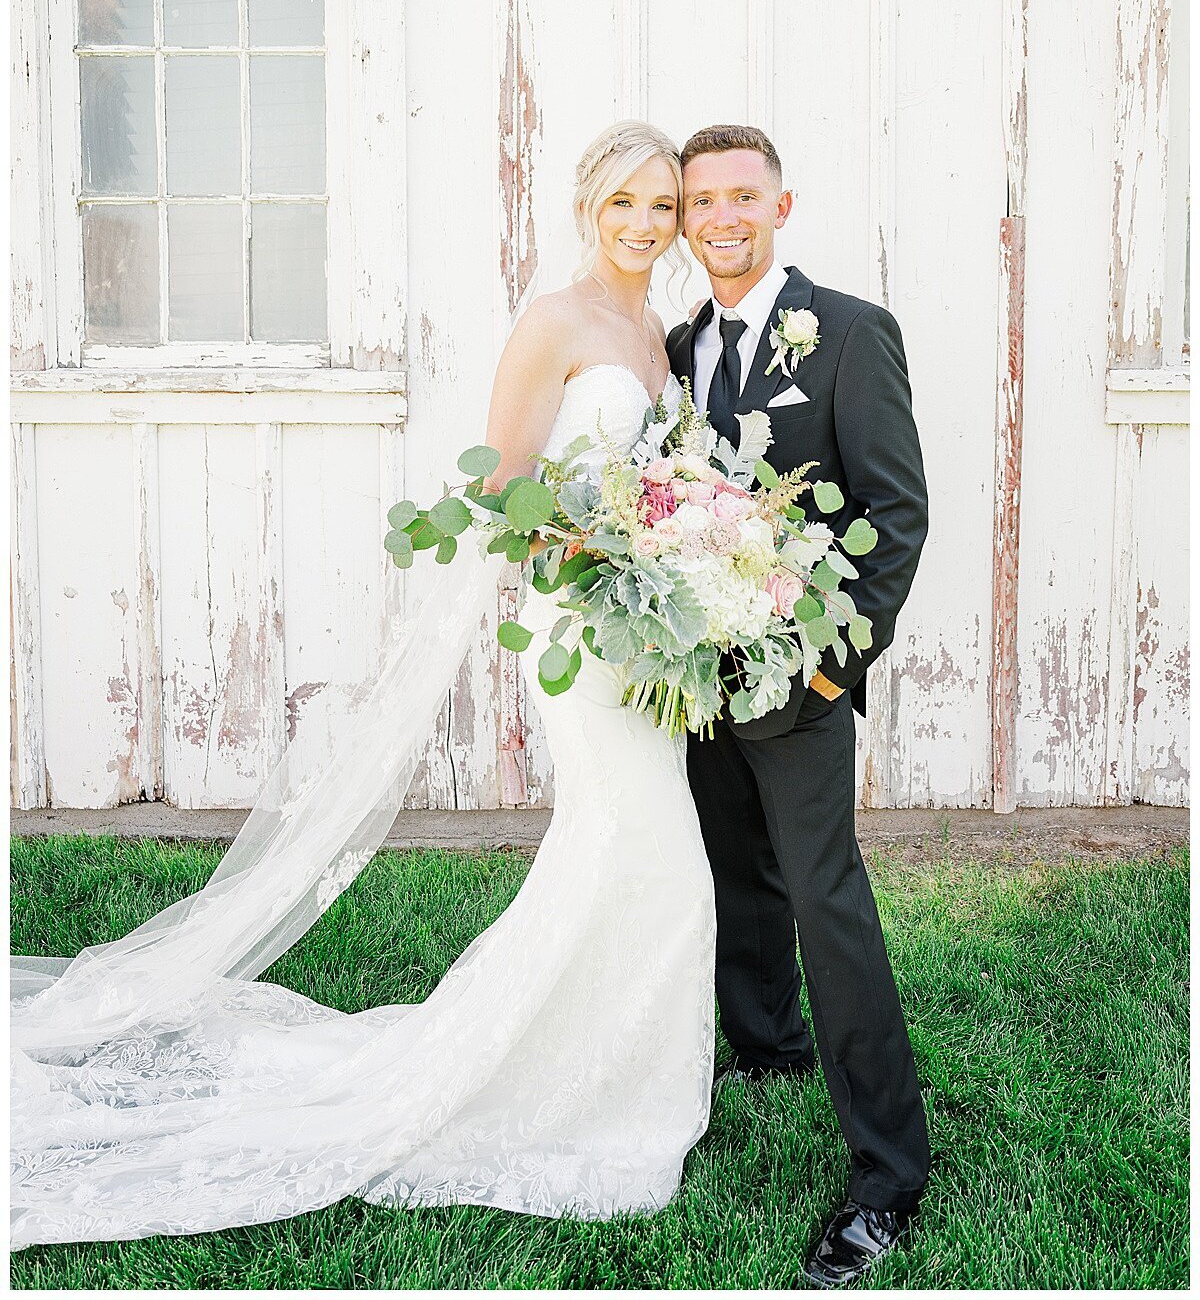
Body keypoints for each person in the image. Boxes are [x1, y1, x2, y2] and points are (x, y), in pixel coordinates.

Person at [11, 121, 716, 1245]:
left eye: (664, 205)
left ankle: (610, 1064)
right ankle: (573, 1079)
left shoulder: (653, 330)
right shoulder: (556, 323)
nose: (646, 224)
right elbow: (506, 498)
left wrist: (677, 557)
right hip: (580, 631)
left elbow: (658, 479)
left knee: (637, 848)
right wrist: (600, 562)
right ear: (589, 206)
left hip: (645, 639)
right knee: (649, 842)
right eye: (626, 201)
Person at [667, 123, 931, 1290]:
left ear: (781, 205)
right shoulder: (679, 346)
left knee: (827, 900)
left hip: (801, 677)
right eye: (700, 201)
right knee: (736, 873)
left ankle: (887, 1175)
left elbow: (895, 510)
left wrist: (832, 665)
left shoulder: (851, 331)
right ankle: (766, 1050)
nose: (720, 216)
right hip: (694, 674)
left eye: (740, 196)